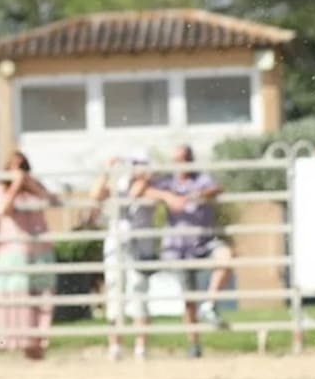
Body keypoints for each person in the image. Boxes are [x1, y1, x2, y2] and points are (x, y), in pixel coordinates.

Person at [149, 143, 231, 357]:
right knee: (189, 298)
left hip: (202, 242)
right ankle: (193, 343)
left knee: (226, 256)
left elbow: (218, 188)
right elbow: (145, 189)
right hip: (178, 248)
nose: (179, 164)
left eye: (183, 159)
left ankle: (210, 305)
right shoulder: (168, 182)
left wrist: (196, 196)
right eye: (176, 160)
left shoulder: (201, 179)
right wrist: (169, 197)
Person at [92, 152, 161, 361]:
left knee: (139, 294)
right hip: (116, 247)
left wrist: (143, 178)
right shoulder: (118, 185)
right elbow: (95, 195)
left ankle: (140, 347)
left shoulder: (149, 186)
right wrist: (107, 170)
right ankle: (115, 346)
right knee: (115, 293)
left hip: (140, 247)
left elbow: (140, 193)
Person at [0, 150, 59, 360]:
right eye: (14, 167)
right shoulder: (1, 189)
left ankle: (38, 345)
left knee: (41, 297)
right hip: (14, 252)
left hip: (40, 251)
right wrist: (15, 186)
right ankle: (15, 344)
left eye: (23, 167)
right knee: (16, 297)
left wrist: (29, 185)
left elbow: (54, 202)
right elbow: (3, 209)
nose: (19, 171)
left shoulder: (36, 189)